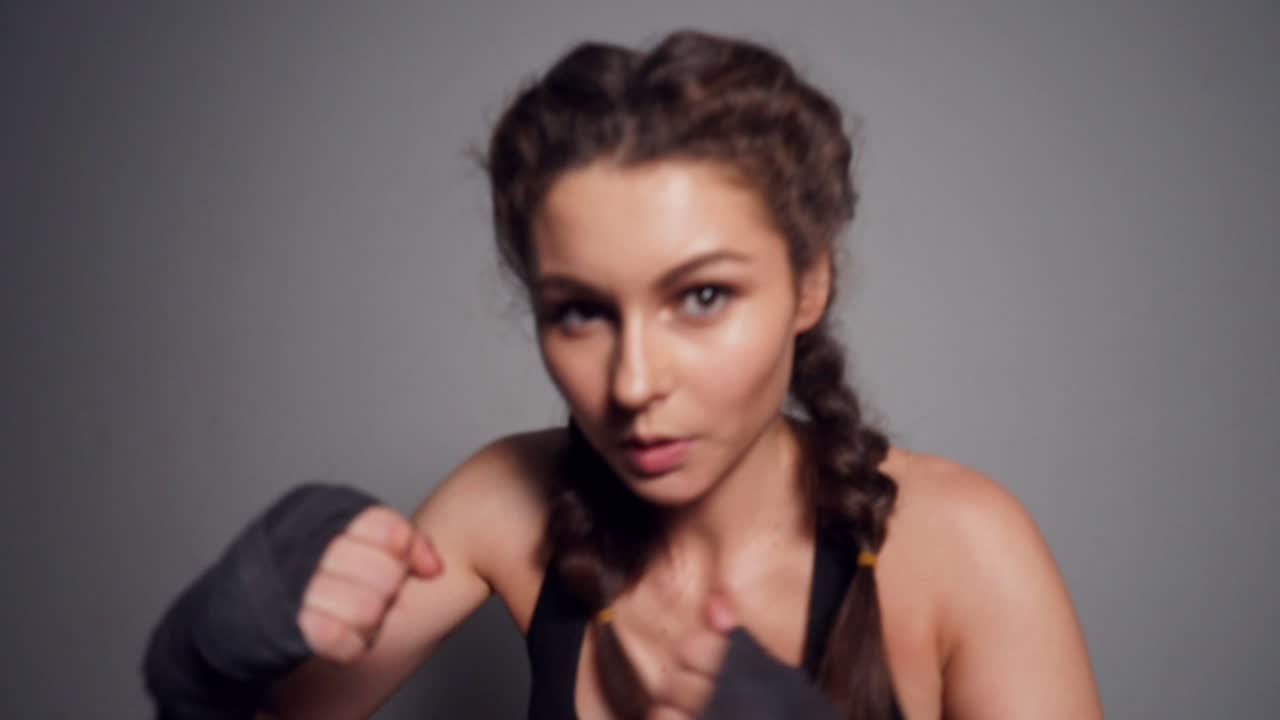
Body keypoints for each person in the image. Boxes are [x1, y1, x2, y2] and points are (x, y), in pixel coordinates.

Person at [144, 29, 1103, 720]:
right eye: (583, 312)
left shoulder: (963, 550)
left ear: (810, 284)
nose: (633, 382)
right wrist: (205, 670)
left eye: (702, 298)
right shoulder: (504, 505)